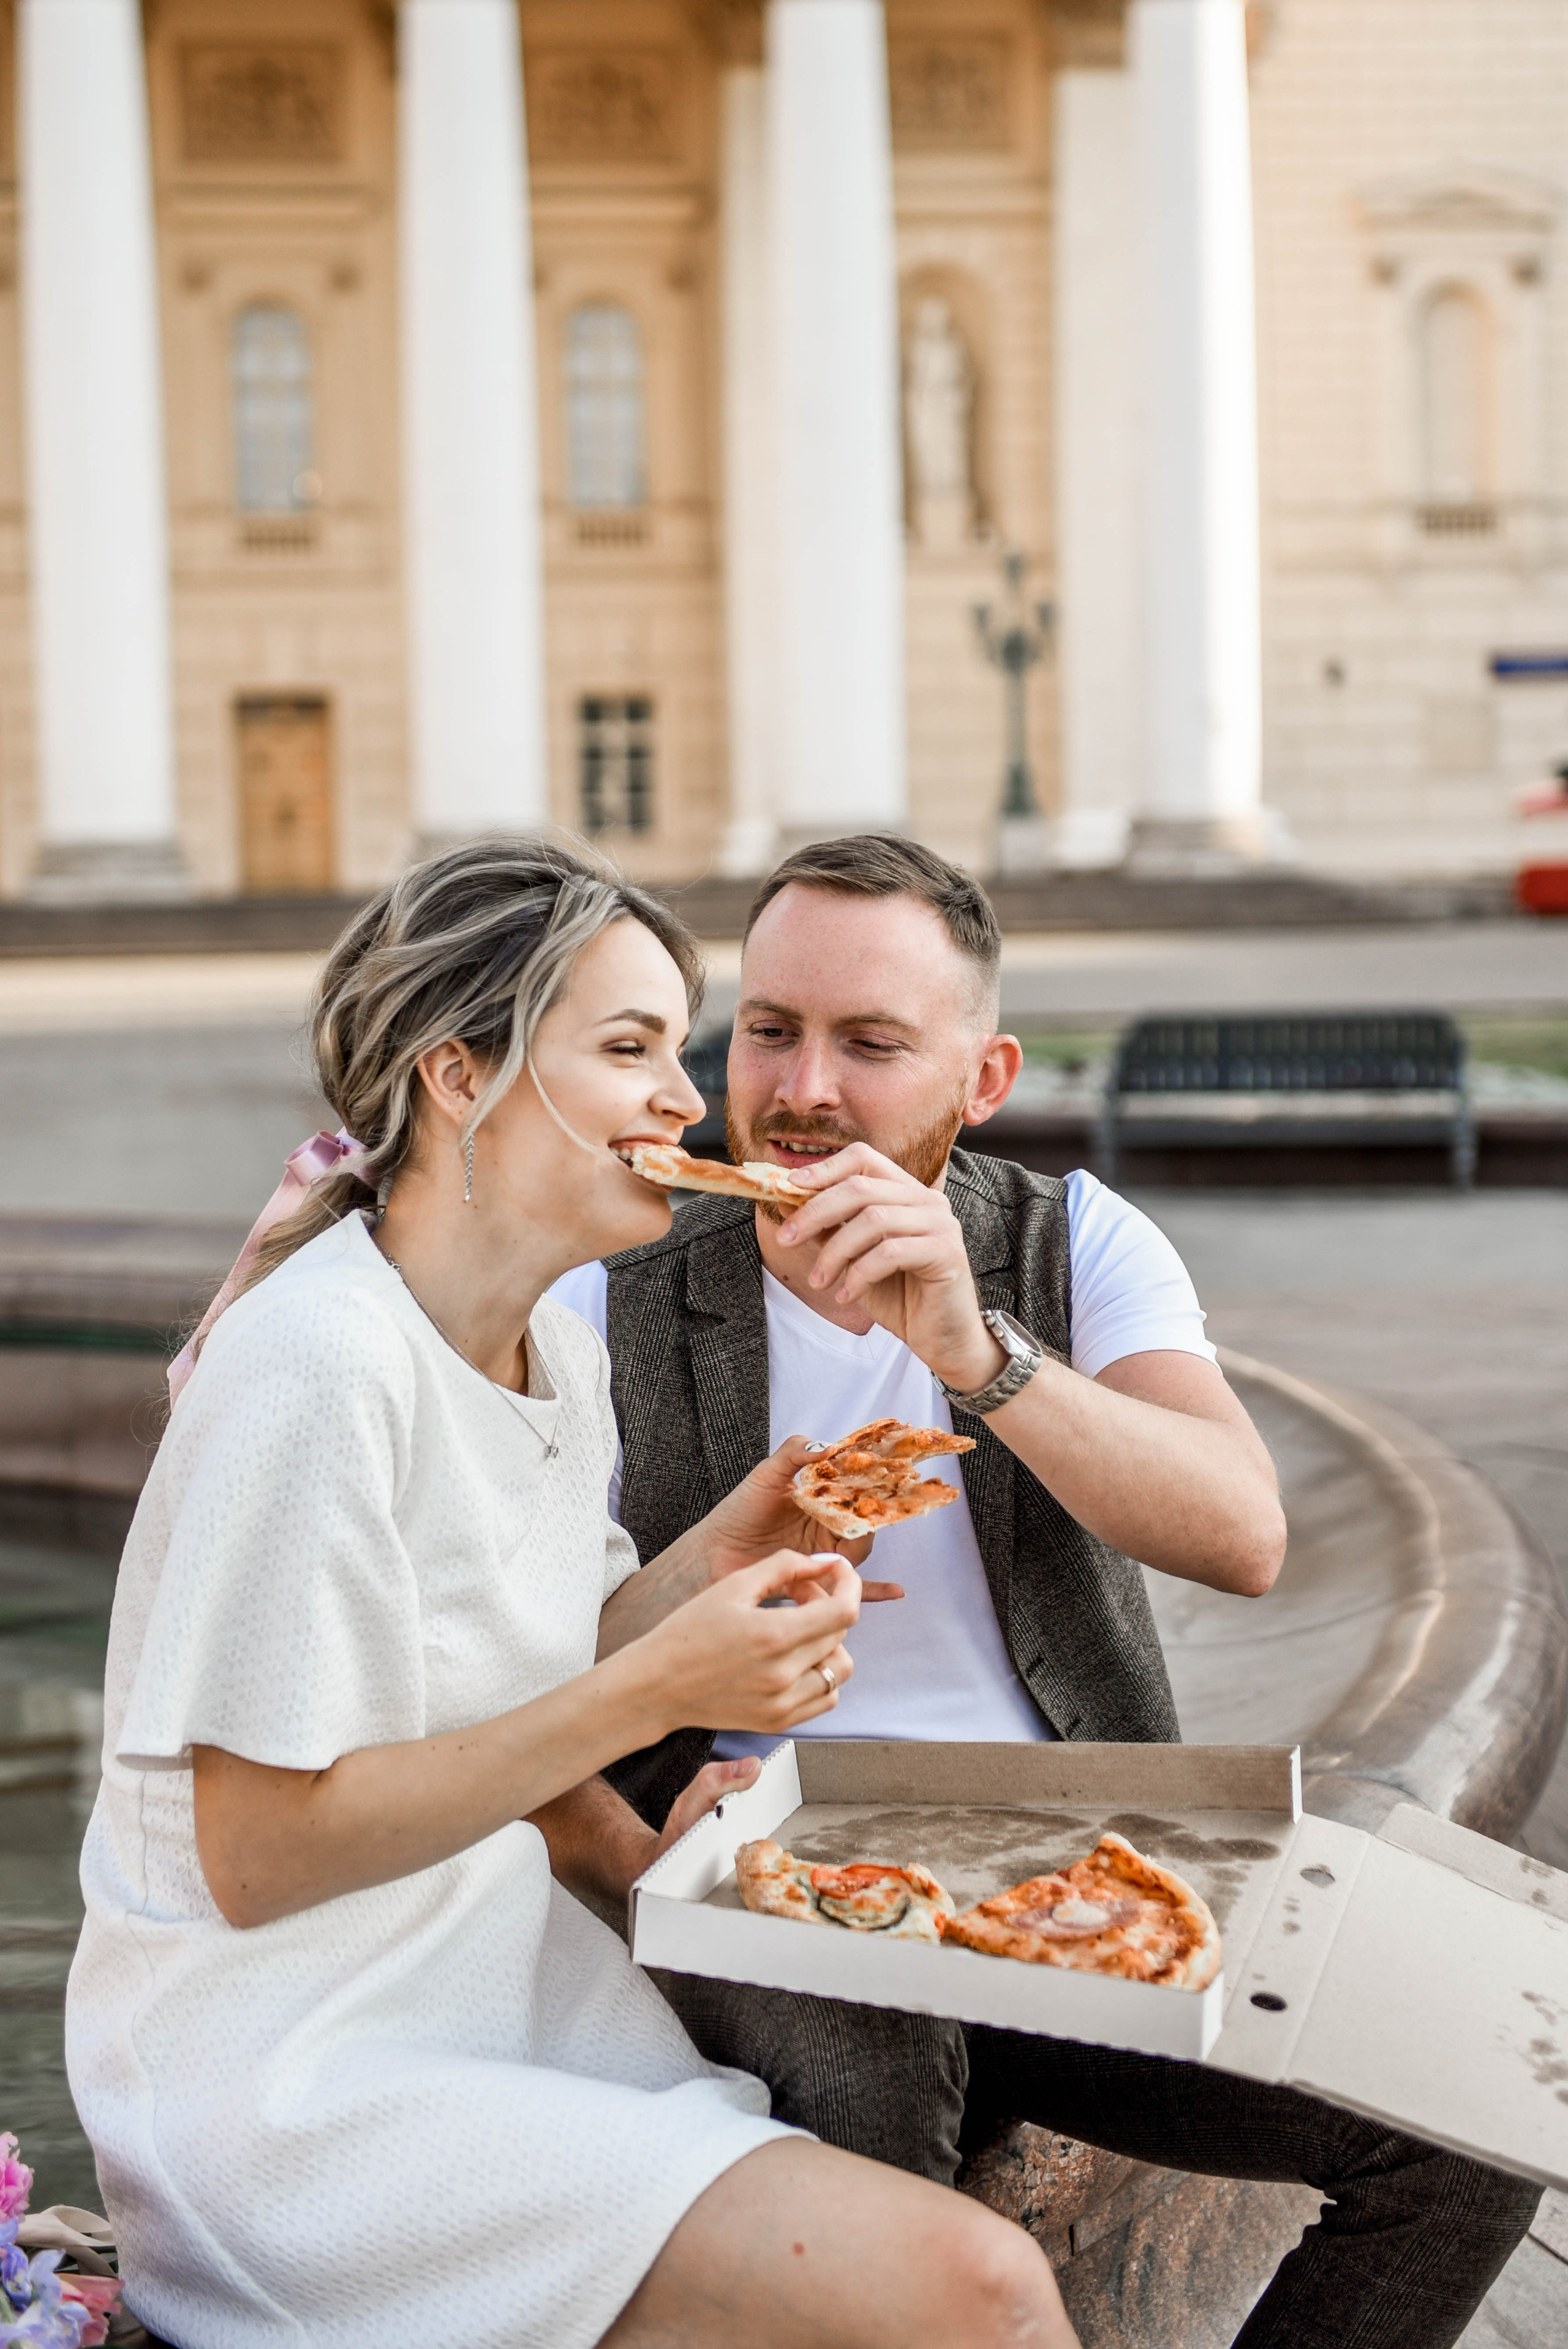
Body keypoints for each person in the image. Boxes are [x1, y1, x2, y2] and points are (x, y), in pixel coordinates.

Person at [66, 839, 1081, 2349]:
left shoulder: (556, 1338)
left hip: (505, 2000)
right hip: (300, 2086)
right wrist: (660, 1691)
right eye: (628, 1049)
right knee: (978, 2288)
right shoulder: (318, 1369)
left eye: (678, 1046)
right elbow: (257, 1853)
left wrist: (716, 1560)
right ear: (457, 1073)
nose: (689, 1097)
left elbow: (528, 1646)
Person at [551, 833, 1542, 2349]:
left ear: (982, 1073)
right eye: (769, 1027)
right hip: (759, 1878)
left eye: (872, 1044)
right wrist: (634, 1848)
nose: (803, 1086)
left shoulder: (1072, 1241)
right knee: (872, 2107)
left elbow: (1241, 1535)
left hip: (1059, 1866)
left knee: (1467, 2112)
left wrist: (978, 1351)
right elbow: (506, 1654)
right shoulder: (604, 1282)